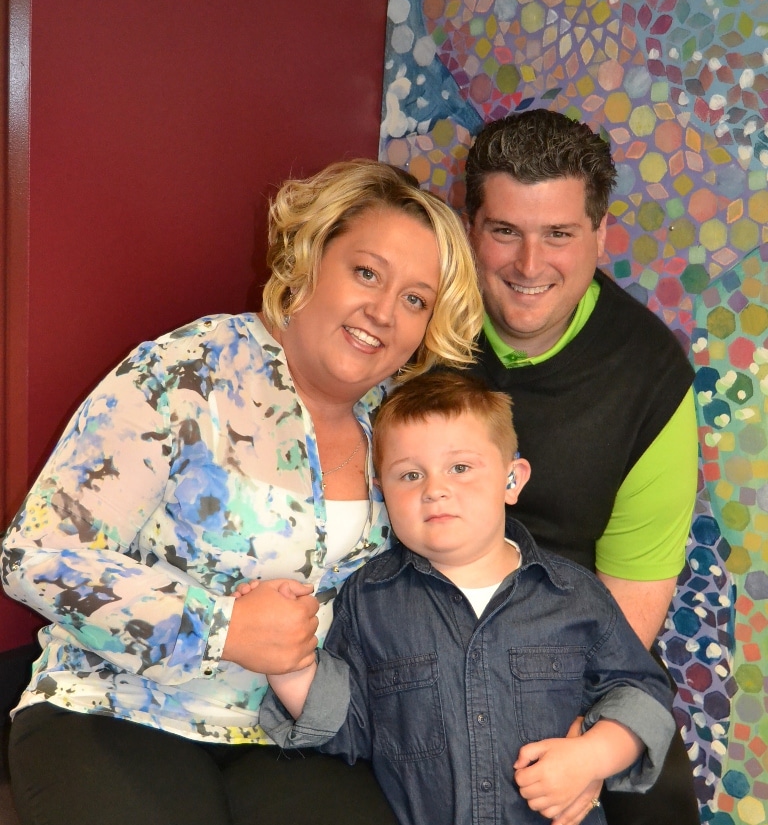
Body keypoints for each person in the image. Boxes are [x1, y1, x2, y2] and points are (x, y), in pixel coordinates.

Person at [1, 159, 484, 825]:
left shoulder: (404, 427)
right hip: (118, 705)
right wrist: (221, 626)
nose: (382, 311)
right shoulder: (187, 370)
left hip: (291, 735)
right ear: (312, 257)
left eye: (414, 299)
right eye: (366, 272)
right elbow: (35, 553)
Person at [256, 371, 676, 825]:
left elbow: (641, 693)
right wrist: (289, 663)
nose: (434, 489)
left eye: (460, 467)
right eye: (410, 474)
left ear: (511, 480)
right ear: (382, 493)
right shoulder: (370, 599)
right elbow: (348, 729)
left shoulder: (571, 596)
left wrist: (592, 757)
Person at [462, 109, 699, 823]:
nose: (529, 266)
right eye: (505, 230)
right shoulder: (419, 320)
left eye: (558, 234)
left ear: (601, 235)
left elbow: (630, 603)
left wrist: (581, 745)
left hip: (575, 645)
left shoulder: (650, 375)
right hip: (421, 622)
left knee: (651, 795)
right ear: (469, 225)